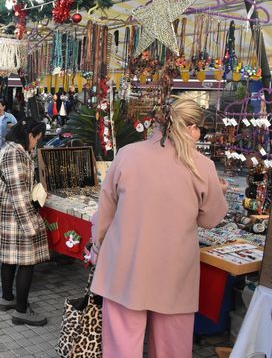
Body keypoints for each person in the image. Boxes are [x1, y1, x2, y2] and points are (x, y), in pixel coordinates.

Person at [90, 98, 228, 357]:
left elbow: (106, 212)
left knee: (122, 348)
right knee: (171, 350)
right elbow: (210, 219)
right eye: (201, 128)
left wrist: (99, 246)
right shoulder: (202, 166)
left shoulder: (127, 154)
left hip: (125, 266)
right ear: (191, 128)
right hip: (174, 272)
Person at [0, 118, 49, 327]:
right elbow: (19, 196)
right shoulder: (16, 155)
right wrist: (32, 225)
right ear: (30, 135)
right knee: (27, 261)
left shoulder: (9, 149)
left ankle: (7, 298)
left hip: (6, 215)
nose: (36, 144)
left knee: (8, 258)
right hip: (13, 216)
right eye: (37, 139)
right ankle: (20, 310)